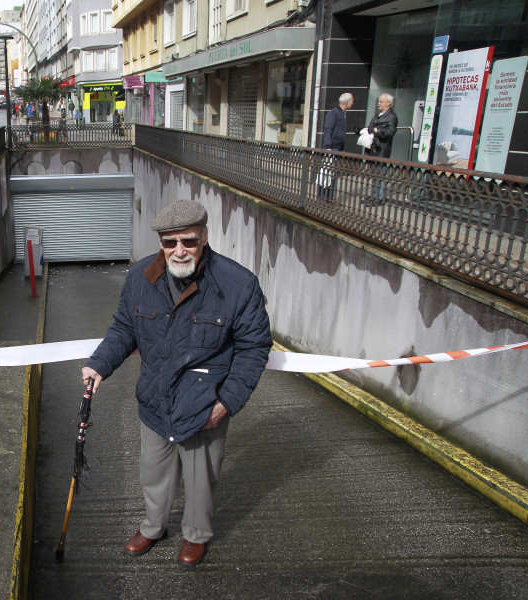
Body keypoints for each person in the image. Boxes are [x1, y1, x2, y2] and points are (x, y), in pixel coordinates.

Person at [81, 199, 272, 567]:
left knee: (202, 480)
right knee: (153, 472)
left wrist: (227, 402)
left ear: (203, 238)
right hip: (155, 399)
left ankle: (196, 535)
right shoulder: (140, 277)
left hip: (204, 404)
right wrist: (99, 364)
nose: (179, 250)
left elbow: (254, 347)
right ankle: (154, 527)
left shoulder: (238, 284)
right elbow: (124, 328)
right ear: (160, 242)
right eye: (170, 242)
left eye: (188, 241)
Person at [318, 92, 353, 202]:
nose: (353, 103)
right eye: (352, 101)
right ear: (346, 102)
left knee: (332, 174)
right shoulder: (334, 113)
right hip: (332, 147)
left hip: (337, 147)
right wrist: (328, 147)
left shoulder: (343, 114)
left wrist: (342, 147)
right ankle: (322, 197)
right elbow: (328, 130)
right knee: (326, 173)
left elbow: (341, 134)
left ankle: (329, 197)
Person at [363, 93, 397, 204]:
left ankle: (379, 197)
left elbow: (390, 132)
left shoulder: (391, 116)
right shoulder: (377, 116)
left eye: (381, 102)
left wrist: (377, 131)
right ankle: (374, 195)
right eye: (379, 101)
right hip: (373, 149)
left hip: (382, 150)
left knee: (380, 175)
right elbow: (370, 128)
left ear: (389, 103)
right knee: (374, 175)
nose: (379, 103)